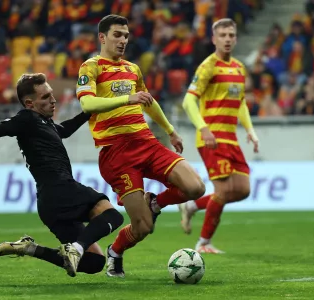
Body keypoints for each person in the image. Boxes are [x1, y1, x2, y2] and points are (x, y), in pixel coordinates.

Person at [0, 73, 124, 277]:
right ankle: (76, 248)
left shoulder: (45, 123)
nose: (53, 100)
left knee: (94, 262)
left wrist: (90, 110)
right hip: (62, 189)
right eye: (45, 97)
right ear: (29, 103)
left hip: (49, 203)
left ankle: (30, 248)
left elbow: (66, 129)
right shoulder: (26, 119)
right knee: (113, 215)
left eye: (52, 94)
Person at [76, 14, 206, 278]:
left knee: (195, 187)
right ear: (102, 37)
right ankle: (116, 251)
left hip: (146, 142)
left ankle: (156, 202)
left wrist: (170, 131)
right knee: (143, 227)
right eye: (117, 35)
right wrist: (127, 98)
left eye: (126, 35)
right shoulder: (91, 67)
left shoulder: (132, 69)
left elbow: (148, 100)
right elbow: (87, 104)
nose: (123, 40)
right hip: (117, 153)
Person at [179, 18, 259, 254]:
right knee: (223, 192)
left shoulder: (238, 68)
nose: (227, 39)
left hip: (231, 138)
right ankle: (203, 243)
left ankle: (192, 205)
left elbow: (241, 102)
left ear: (235, 38)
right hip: (211, 139)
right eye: (222, 35)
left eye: (231, 35)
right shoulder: (208, 66)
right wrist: (203, 128)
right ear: (214, 39)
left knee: (243, 190)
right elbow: (188, 100)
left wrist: (251, 131)